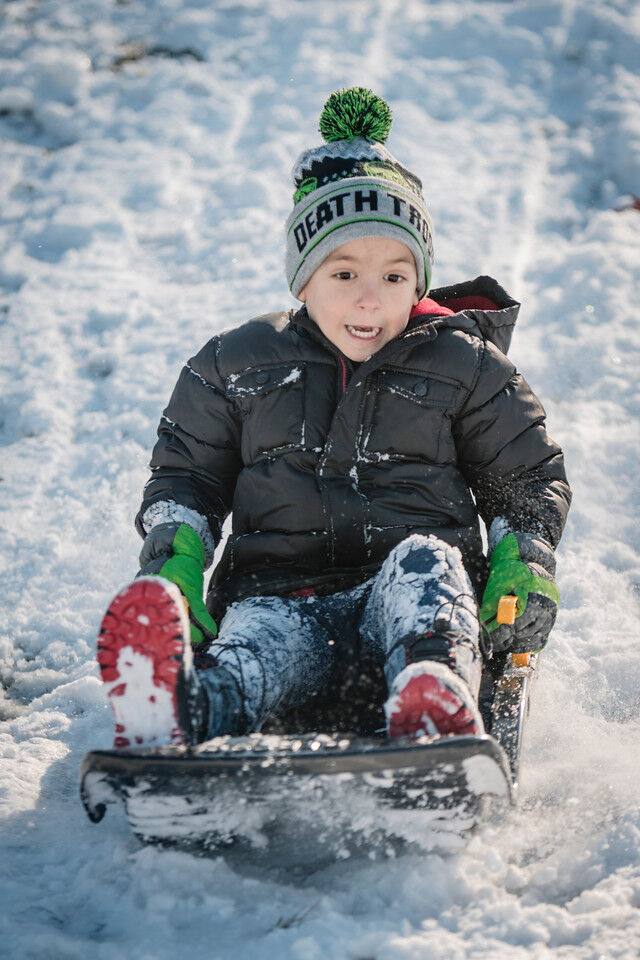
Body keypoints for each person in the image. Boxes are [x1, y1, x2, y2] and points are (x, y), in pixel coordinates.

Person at [97, 88, 571, 749]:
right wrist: (175, 558)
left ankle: (435, 698)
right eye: (344, 274)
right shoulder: (235, 365)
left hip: (407, 607)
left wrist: (525, 558)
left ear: (418, 283)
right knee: (252, 648)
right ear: (303, 278)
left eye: (394, 277)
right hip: (278, 595)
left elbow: (525, 477)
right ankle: (184, 708)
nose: (370, 300)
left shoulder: (467, 366)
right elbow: (187, 477)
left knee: (429, 568)